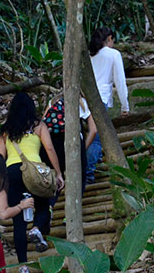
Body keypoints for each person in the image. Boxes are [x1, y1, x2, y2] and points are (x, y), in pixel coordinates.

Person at [0, 92, 65, 273]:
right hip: (34, 171)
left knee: (18, 221)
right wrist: (58, 173)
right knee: (44, 202)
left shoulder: (5, 130)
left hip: (12, 173)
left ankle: (23, 267)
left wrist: (0, 182)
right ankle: (36, 228)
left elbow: (0, 157)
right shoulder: (38, 126)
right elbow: (49, 148)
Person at [86, 27, 129, 183]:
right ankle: (88, 173)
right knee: (97, 139)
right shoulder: (113, 55)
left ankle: (89, 168)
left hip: (82, 101)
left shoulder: (89, 55)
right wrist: (125, 106)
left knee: (88, 135)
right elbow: (120, 82)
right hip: (99, 100)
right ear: (110, 38)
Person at [41, 92, 97, 196]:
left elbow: (43, 124)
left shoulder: (53, 102)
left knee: (54, 179)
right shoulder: (81, 102)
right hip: (74, 142)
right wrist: (83, 149)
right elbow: (93, 130)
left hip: (55, 143)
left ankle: (51, 204)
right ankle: (76, 202)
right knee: (79, 178)